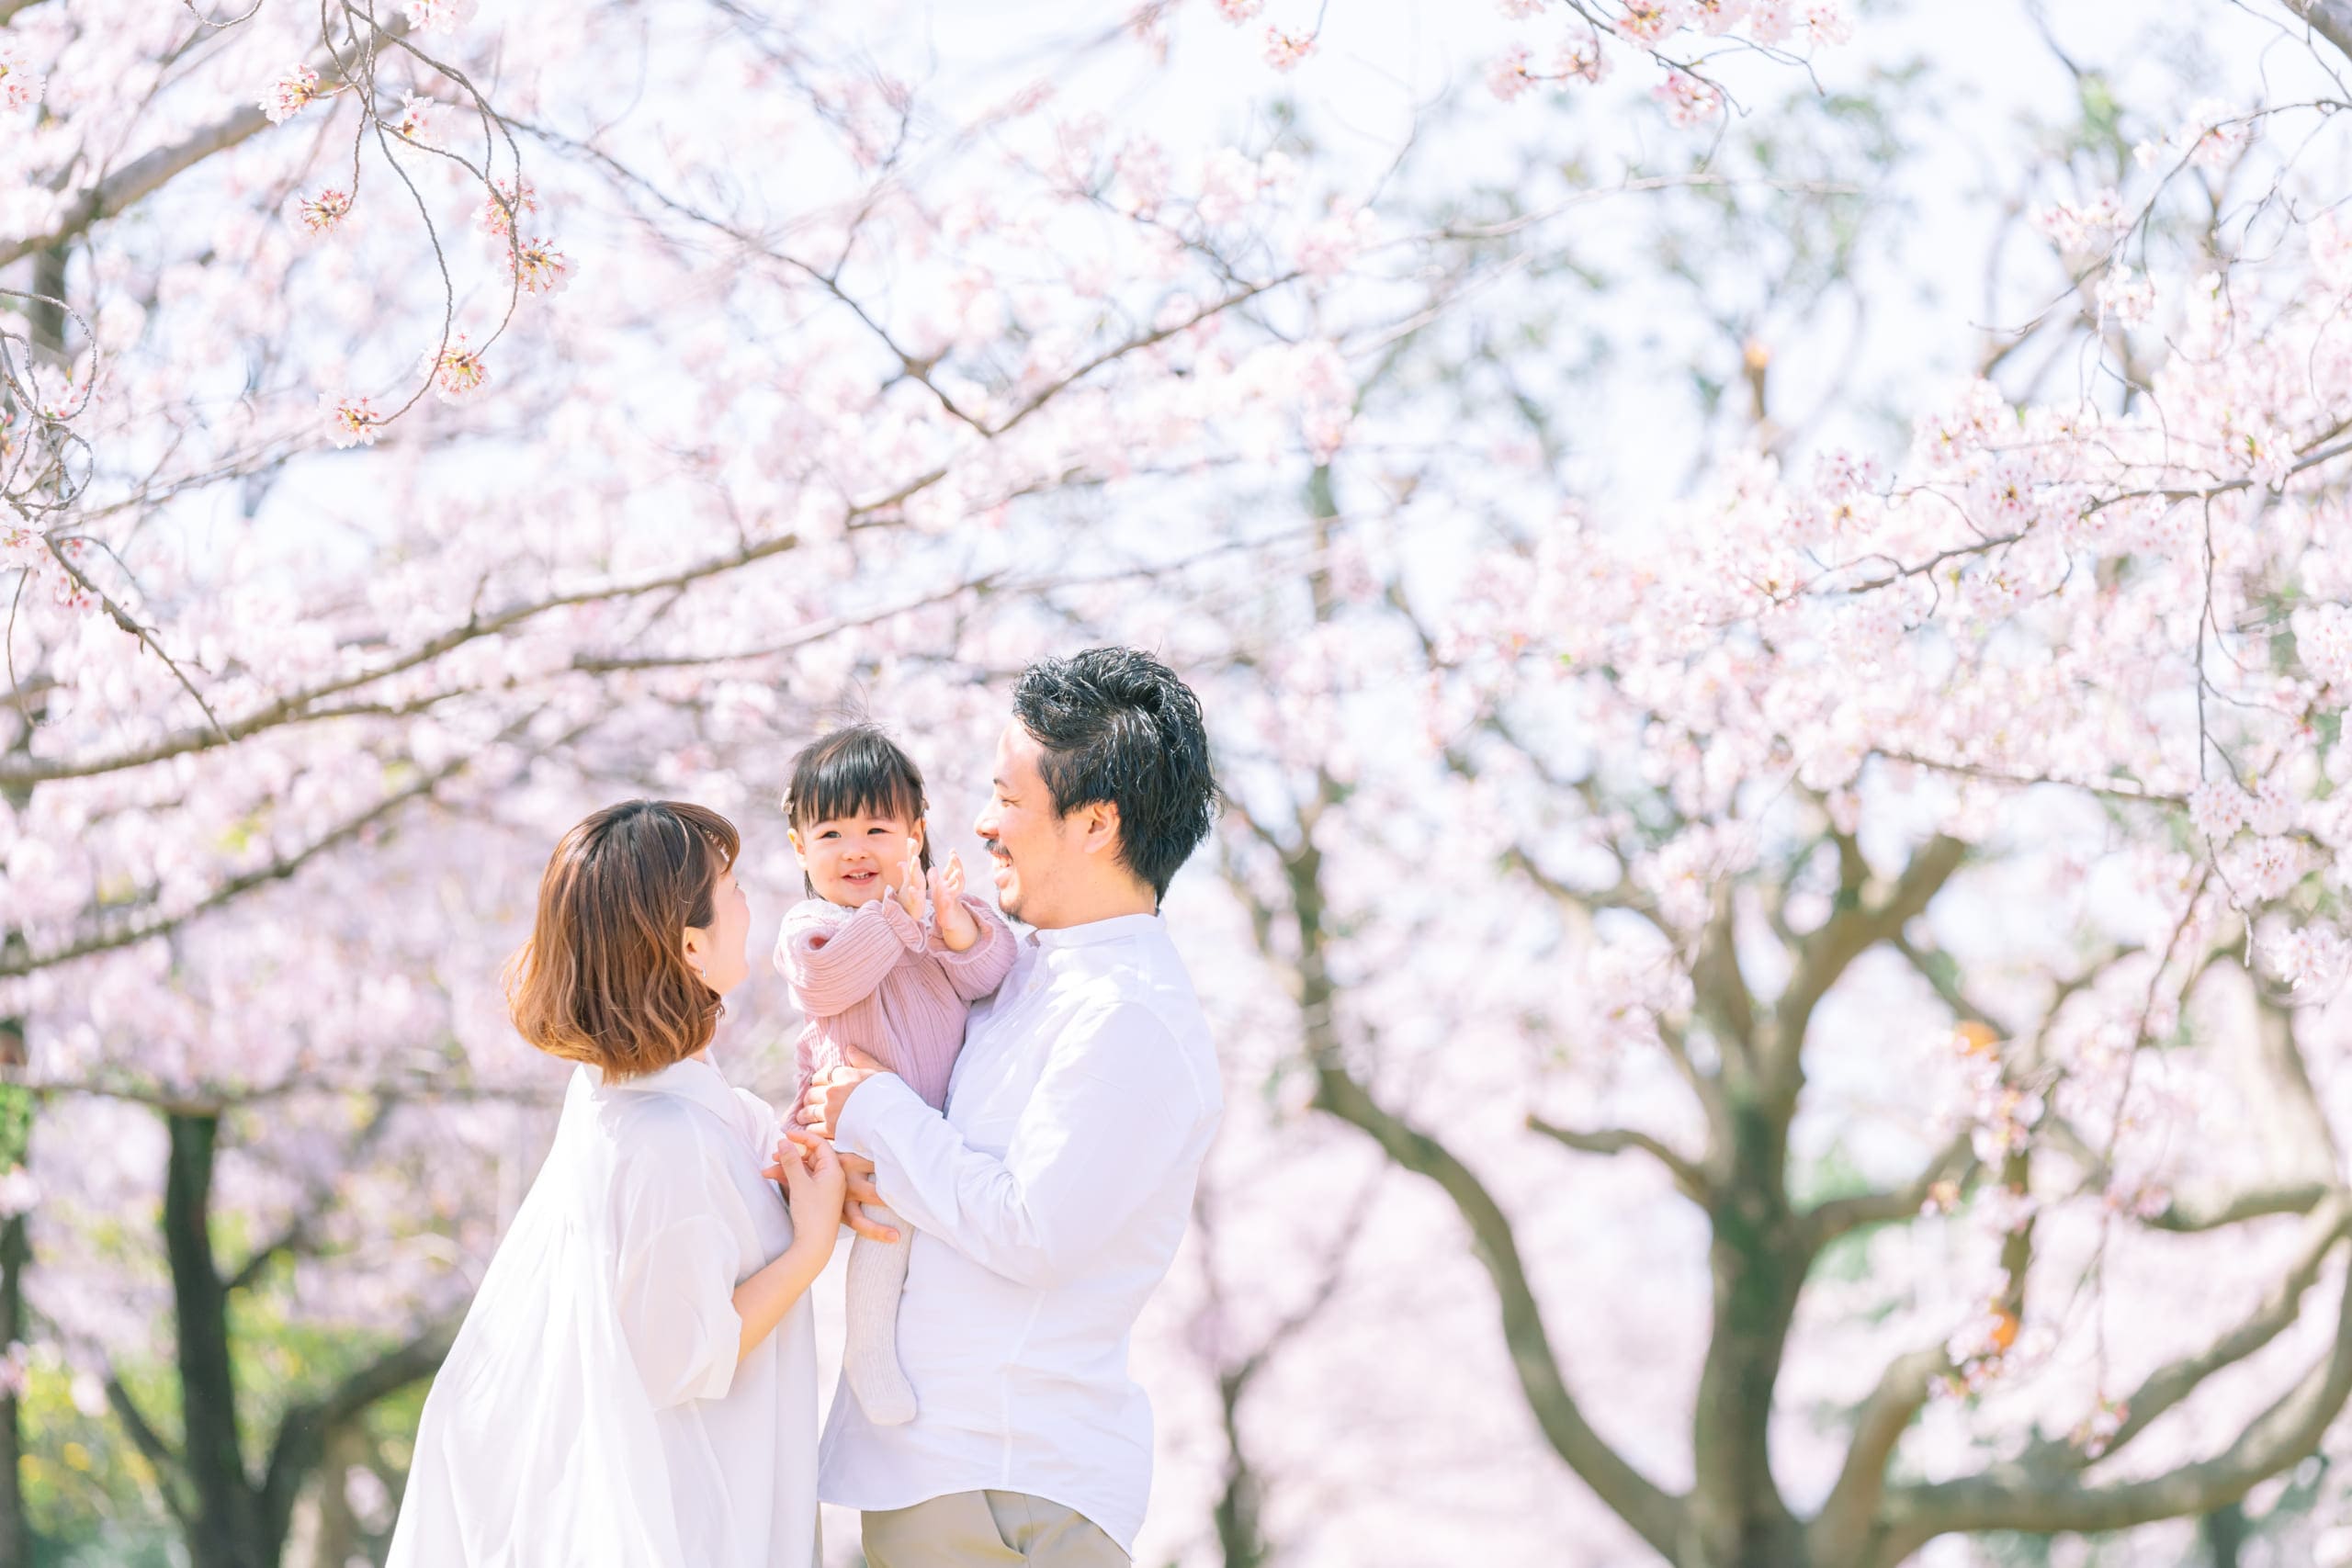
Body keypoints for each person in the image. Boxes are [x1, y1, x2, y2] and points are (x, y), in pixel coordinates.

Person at [800, 648, 1224, 1568]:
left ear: (1096, 823)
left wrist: (869, 1103)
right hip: (953, 1478)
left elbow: (1033, 1231)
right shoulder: (1026, 977)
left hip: (1004, 1486)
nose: (984, 824)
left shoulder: (1127, 1015)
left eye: (1008, 797)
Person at [388, 799, 844, 1568]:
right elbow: (679, 1355)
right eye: (730, 888)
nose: (747, 904)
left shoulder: (645, 1102)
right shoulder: (662, 1138)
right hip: (693, 1526)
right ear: (690, 946)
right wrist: (809, 1248)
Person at [774, 723, 1017, 1425]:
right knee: (888, 1229)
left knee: (939, 1237)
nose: (855, 849)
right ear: (799, 848)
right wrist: (895, 921)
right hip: (856, 1127)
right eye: (829, 834)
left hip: (935, 1124)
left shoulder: (939, 914)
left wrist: (953, 927)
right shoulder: (811, 925)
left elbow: (992, 974)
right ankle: (867, 1350)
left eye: (877, 827)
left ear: (915, 834)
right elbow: (826, 982)